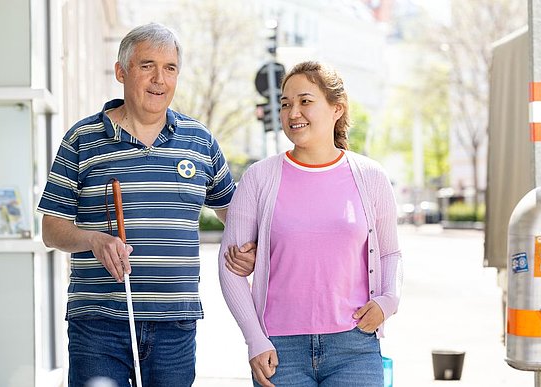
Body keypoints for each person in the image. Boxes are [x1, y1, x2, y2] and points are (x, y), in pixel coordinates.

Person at [38, 22, 255, 387]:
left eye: (170, 68)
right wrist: (94, 239)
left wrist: (249, 249)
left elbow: (233, 214)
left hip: (175, 325)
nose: (159, 79)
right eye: (147, 65)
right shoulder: (82, 139)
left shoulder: (199, 141)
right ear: (121, 71)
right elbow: (51, 228)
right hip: (99, 324)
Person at [219, 61, 402, 387]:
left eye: (305, 101)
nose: (293, 113)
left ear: (336, 108)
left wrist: (388, 301)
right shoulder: (259, 178)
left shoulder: (370, 177)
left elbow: (390, 253)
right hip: (279, 350)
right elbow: (230, 266)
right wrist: (254, 338)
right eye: (286, 104)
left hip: (354, 346)